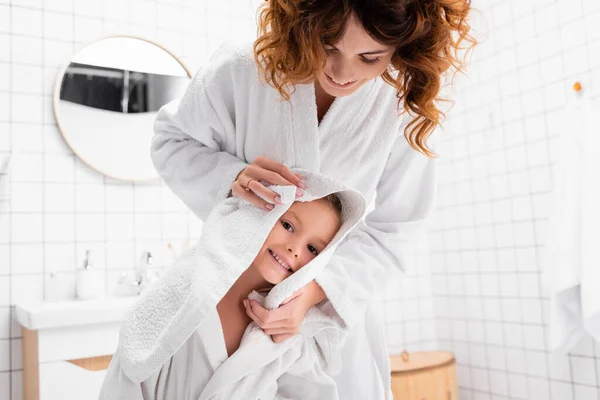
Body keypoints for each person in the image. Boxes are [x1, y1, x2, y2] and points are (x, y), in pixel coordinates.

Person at [150, 0, 476, 397]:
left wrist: (313, 294)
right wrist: (230, 176)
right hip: (231, 297)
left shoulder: (403, 103)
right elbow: (172, 141)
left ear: (402, 46)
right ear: (303, 22)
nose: (343, 73)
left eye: (370, 57)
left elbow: (398, 227)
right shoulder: (244, 66)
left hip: (329, 316)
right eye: (328, 46)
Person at [100, 173, 369, 399]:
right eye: (287, 225)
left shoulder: (288, 332)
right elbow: (129, 371)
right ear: (260, 213)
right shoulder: (187, 292)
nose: (294, 249)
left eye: (312, 248)